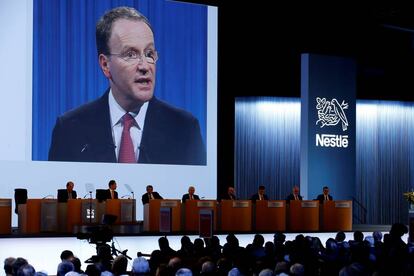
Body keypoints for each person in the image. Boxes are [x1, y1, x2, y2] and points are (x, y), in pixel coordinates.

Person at [48, 6, 206, 165]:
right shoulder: (69, 129)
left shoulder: (185, 129)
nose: (145, 66)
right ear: (105, 65)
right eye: (131, 54)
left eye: (149, 54)